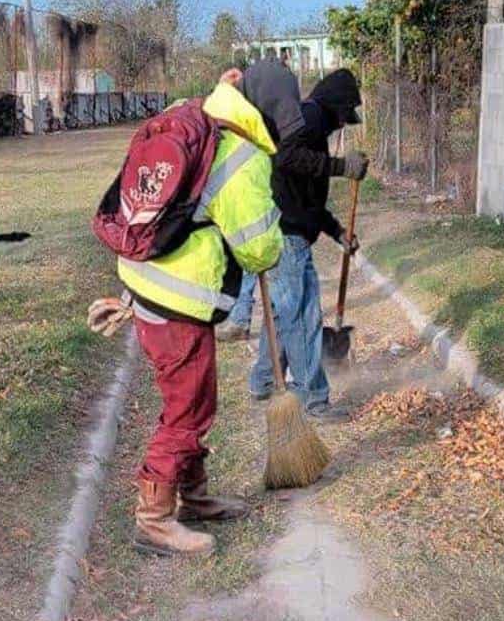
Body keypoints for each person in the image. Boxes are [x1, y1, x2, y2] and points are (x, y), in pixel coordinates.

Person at [116, 77, 284, 558]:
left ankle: (193, 495)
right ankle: (153, 518)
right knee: (188, 406)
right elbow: (258, 248)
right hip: (177, 300)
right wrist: (269, 238)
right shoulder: (241, 156)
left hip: (143, 275)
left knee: (196, 397)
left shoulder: (188, 115)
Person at [244, 63, 367, 421]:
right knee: (302, 316)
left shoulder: (309, 122)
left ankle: (263, 380)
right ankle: (314, 398)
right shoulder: (310, 117)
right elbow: (285, 158)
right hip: (287, 235)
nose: (343, 125)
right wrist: (341, 167)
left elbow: (308, 197)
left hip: (290, 230)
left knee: (286, 313)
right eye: (343, 116)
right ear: (332, 107)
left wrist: (336, 231)